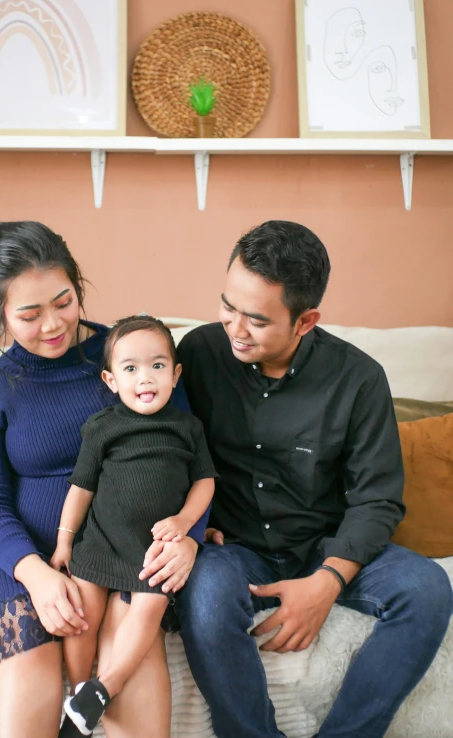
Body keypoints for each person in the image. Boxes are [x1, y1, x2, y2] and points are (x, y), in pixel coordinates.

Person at [167, 220, 453, 738]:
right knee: (204, 592)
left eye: (256, 319)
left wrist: (328, 581)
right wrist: (193, 523)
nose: (234, 328)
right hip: (235, 547)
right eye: (228, 306)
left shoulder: (359, 379)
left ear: (305, 321)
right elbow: (164, 450)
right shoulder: (197, 355)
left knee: (428, 588)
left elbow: (377, 501)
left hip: (326, 543)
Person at [0, 221, 207, 738]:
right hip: (15, 560)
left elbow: (188, 462)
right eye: (29, 314)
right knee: (30, 656)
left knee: (127, 663)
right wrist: (38, 576)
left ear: (79, 285)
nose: (52, 324)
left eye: (63, 302)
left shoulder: (135, 360)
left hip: (121, 552)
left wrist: (189, 540)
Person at [51, 315, 216, 735]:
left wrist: (184, 521)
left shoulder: (187, 429)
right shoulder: (103, 427)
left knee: (147, 613)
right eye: (130, 369)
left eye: (158, 366)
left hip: (152, 553)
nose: (146, 378)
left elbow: (205, 482)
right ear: (110, 380)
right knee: (80, 615)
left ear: (176, 375)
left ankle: (103, 689)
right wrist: (64, 542)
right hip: (102, 542)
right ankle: (78, 692)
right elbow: (81, 489)